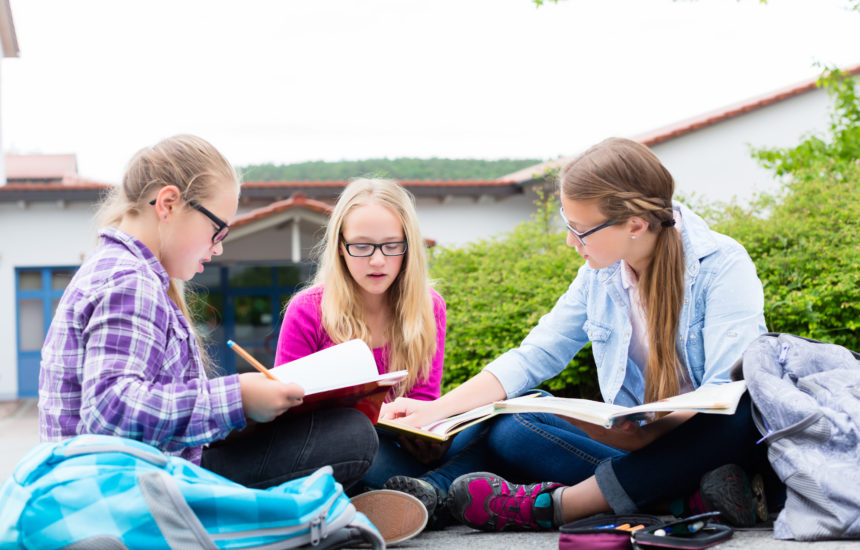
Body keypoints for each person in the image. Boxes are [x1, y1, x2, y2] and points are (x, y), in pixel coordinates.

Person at [382, 137, 777, 531]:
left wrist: (650, 434)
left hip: (702, 441)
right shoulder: (598, 275)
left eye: (581, 229)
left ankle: (561, 505)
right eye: (567, 224)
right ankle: (679, 496)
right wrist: (434, 412)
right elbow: (534, 355)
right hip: (638, 449)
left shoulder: (722, 265)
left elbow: (722, 394)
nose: (571, 241)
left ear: (636, 225)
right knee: (514, 423)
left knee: (739, 412)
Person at [37, 134, 381, 493]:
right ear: (168, 204)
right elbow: (111, 412)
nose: (217, 248)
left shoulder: (123, 271)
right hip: (131, 488)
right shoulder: (129, 282)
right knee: (350, 435)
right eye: (218, 230)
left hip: (139, 474)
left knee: (337, 428)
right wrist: (237, 398)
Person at [276, 178, 464, 525]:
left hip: (403, 451)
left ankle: (421, 494)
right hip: (340, 450)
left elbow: (424, 397)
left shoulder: (428, 307)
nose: (377, 261)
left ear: (408, 247)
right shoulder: (308, 309)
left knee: (491, 429)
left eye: (391, 245)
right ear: (340, 247)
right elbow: (286, 415)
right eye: (361, 246)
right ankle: (434, 494)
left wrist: (428, 430)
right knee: (357, 440)